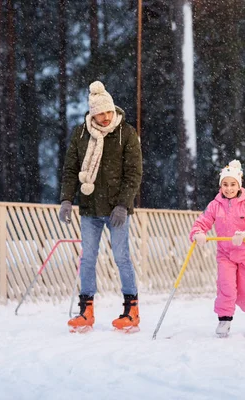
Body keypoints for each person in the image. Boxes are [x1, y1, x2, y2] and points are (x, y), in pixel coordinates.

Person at [58, 81, 143, 333]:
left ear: (113, 109)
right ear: (92, 113)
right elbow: (71, 169)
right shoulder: (81, 133)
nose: (105, 117)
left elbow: (134, 173)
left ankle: (131, 309)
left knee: (121, 257)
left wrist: (123, 204)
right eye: (99, 113)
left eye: (108, 112)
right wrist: (66, 199)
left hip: (117, 210)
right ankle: (86, 310)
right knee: (87, 259)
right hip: (90, 208)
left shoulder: (126, 133)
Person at [189, 160, 245, 338]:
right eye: (225, 184)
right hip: (225, 255)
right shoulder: (215, 205)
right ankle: (224, 319)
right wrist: (198, 232)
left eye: (233, 184)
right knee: (226, 287)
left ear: (239, 185)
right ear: (220, 185)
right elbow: (203, 221)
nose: (229, 188)